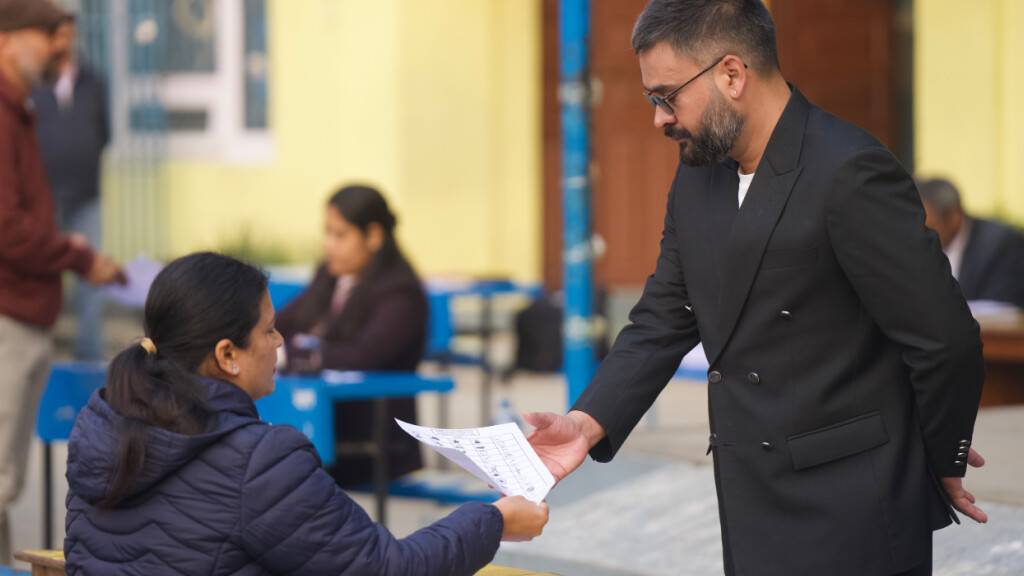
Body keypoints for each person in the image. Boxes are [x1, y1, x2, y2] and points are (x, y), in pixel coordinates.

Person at [525, 2, 985, 575]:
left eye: (666, 96)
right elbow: (664, 318)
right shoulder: (698, 175)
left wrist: (940, 456)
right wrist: (586, 421)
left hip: (854, 511)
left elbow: (945, 339)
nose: (659, 119)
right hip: (750, 503)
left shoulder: (849, 170)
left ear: (732, 74)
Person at [64, 252, 548, 575]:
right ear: (228, 354)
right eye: (270, 330)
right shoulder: (262, 462)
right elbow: (386, 570)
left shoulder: (102, 425)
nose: (280, 344)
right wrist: (493, 521)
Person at [0, 0, 122, 563]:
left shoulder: (18, 109)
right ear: (8, 40)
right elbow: (7, 229)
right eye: (48, 36)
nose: (60, 49)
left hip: (24, 312)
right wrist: (73, 258)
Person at [277, 184, 426, 486]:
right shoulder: (330, 276)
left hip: (372, 442)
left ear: (373, 235)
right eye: (327, 233)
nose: (328, 244)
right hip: (327, 430)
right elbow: (282, 322)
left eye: (340, 235)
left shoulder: (400, 292)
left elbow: (364, 354)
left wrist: (288, 354)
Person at [33, 14, 111, 360]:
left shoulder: (93, 80)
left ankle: (89, 354)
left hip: (85, 195)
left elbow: (104, 133)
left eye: (68, 35)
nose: (63, 42)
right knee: (42, 275)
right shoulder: (34, 81)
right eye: (56, 35)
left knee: (90, 279)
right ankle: (41, 353)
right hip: (45, 199)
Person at [917, 177, 1024, 309]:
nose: (921, 235)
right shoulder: (915, 249)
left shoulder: (1002, 245)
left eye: (927, 227)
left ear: (953, 218)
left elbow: (1004, 306)